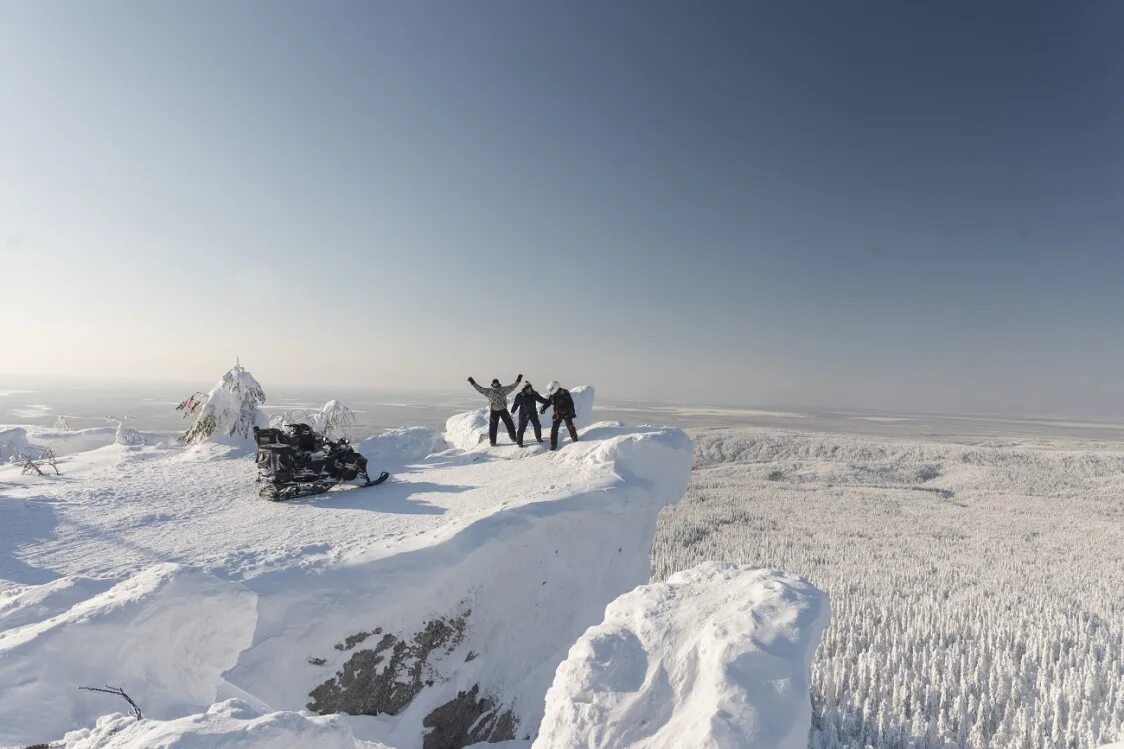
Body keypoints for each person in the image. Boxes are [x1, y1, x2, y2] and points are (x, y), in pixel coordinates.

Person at [467, 374, 523, 446]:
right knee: (493, 427)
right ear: (492, 384)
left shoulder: (503, 389)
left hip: (503, 410)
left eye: (496, 384)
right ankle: (492, 441)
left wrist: (518, 379)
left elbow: (513, 386)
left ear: (498, 384)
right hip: (494, 411)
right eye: (494, 384)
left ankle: (514, 438)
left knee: (510, 424)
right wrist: (472, 382)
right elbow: (479, 389)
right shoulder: (488, 391)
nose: (495, 385)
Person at [540, 380, 579, 451]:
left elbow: (571, 403)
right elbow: (549, 402)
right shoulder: (552, 395)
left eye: (551, 389)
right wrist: (543, 408)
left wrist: (572, 412)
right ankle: (553, 444)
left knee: (570, 425)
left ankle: (575, 438)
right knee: (554, 429)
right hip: (558, 414)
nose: (550, 390)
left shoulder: (565, 392)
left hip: (567, 413)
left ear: (555, 387)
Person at [510, 381, 549, 447]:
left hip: (533, 413)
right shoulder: (520, 395)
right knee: (521, 428)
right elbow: (516, 404)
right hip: (523, 414)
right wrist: (512, 412)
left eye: (529, 387)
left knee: (537, 425)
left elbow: (541, 399)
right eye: (526, 388)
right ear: (524, 388)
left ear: (531, 387)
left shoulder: (534, 394)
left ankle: (538, 438)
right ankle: (519, 442)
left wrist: (549, 401)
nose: (528, 389)